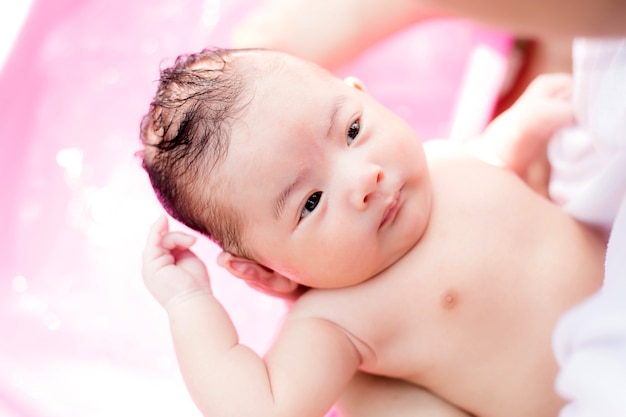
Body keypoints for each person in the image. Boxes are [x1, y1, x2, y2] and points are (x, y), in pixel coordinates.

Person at [139, 47, 606, 417]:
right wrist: (189, 304)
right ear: (264, 273)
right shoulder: (337, 319)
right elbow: (261, 407)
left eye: (352, 130)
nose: (364, 179)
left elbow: (490, 160)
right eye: (311, 202)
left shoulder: (437, 159)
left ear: (363, 94)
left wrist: (522, 127)